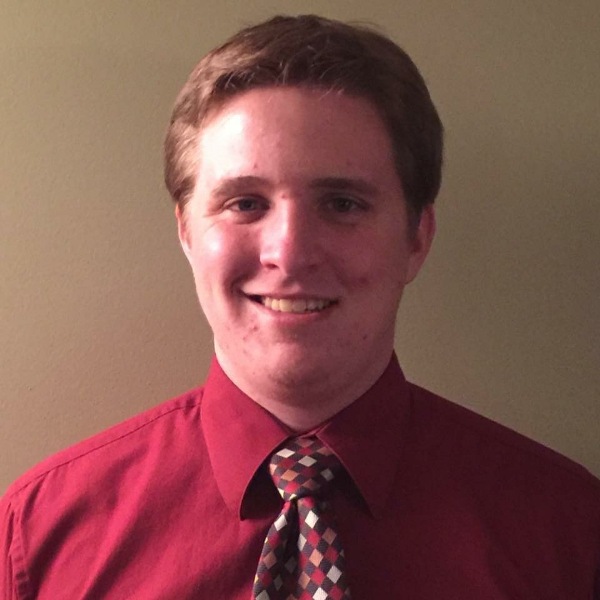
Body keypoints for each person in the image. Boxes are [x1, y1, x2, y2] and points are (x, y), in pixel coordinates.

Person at [1, 14, 599, 600]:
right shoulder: (38, 538)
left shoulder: (571, 535)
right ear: (186, 232)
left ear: (416, 237)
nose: (289, 253)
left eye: (342, 203)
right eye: (245, 203)